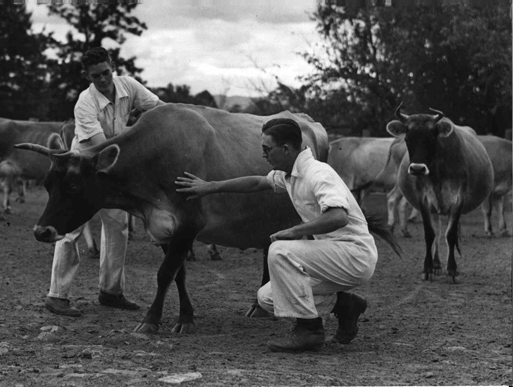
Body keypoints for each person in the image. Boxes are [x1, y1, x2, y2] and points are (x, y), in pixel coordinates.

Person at [174, 118, 377, 353]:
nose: (264, 156)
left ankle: (309, 331)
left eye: (267, 149)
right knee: (268, 298)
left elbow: (339, 217)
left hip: (354, 256)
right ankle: (345, 305)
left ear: (286, 149)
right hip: (333, 258)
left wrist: (294, 231)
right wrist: (211, 186)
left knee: (280, 249)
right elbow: (256, 183)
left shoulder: (318, 173)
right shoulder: (291, 173)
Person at [45, 47, 165, 317]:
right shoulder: (84, 102)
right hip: (83, 167)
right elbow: (102, 146)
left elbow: (159, 109)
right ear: (86, 75)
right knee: (70, 228)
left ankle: (110, 292)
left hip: (113, 167)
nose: (102, 79)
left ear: (113, 66)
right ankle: (57, 295)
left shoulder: (128, 85)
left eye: (106, 72)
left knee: (117, 227)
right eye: (95, 75)